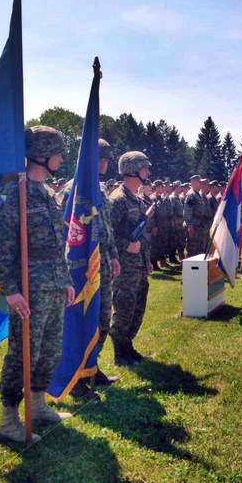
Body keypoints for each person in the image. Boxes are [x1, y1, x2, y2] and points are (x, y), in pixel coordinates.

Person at [0, 126, 75, 443]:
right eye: (57, 152)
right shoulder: (14, 194)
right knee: (22, 354)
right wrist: (11, 290)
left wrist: (65, 280)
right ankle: (9, 418)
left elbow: (57, 244)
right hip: (28, 290)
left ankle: (37, 405)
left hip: (52, 286)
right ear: (40, 154)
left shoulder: (48, 194)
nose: (62, 157)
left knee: (49, 351)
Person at [68, 138, 121, 399]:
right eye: (99, 158)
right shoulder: (74, 190)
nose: (103, 163)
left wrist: (112, 255)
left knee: (102, 319)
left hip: (102, 264)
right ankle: (77, 379)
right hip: (82, 270)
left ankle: (92, 366)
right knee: (83, 320)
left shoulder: (99, 188)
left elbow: (106, 229)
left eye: (107, 159)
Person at [109, 151, 154, 366]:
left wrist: (147, 259)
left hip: (138, 266)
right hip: (124, 267)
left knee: (137, 307)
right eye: (145, 167)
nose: (148, 171)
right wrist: (126, 245)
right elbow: (105, 234)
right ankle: (120, 353)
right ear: (133, 170)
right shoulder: (118, 200)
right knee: (124, 309)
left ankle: (129, 347)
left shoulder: (136, 198)